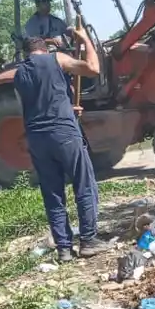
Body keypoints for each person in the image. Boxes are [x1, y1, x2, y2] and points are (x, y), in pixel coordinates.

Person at [14, 30, 110, 262]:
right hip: (64, 133)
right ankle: (88, 241)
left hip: (37, 138)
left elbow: (31, 105)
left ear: (27, 53)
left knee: (53, 194)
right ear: (44, 49)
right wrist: (84, 39)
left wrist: (68, 106)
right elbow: (93, 68)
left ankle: (64, 249)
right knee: (84, 185)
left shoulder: (19, 74)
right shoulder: (56, 59)